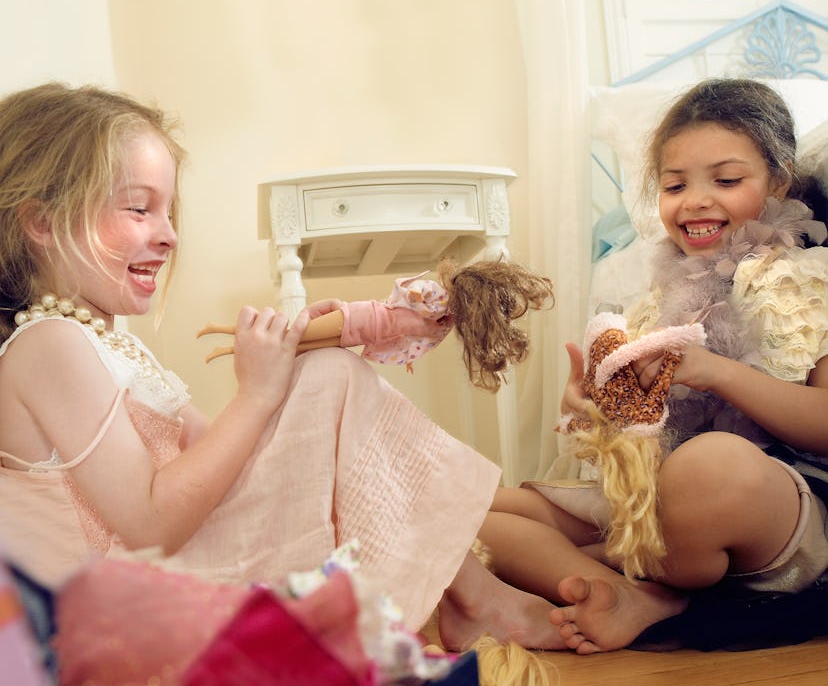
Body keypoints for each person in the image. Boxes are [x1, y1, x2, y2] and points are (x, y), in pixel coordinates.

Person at [0, 82, 563, 657]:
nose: (168, 234)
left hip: (150, 571)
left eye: (169, 211)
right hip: (120, 614)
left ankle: (472, 595)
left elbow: (214, 456)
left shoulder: (100, 342)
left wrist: (282, 367)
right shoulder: (49, 346)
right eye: (139, 208)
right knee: (327, 380)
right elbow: (150, 524)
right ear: (41, 223)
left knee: (320, 375)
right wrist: (258, 395)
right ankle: (474, 598)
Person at [477, 77, 828, 653]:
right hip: (654, 504)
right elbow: (636, 437)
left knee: (707, 467)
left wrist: (716, 371)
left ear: (779, 180)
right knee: (479, 510)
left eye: (727, 180)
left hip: (776, 504)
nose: (695, 200)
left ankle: (618, 573)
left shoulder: (810, 282)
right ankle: (623, 591)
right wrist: (590, 409)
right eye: (674, 184)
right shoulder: (651, 308)